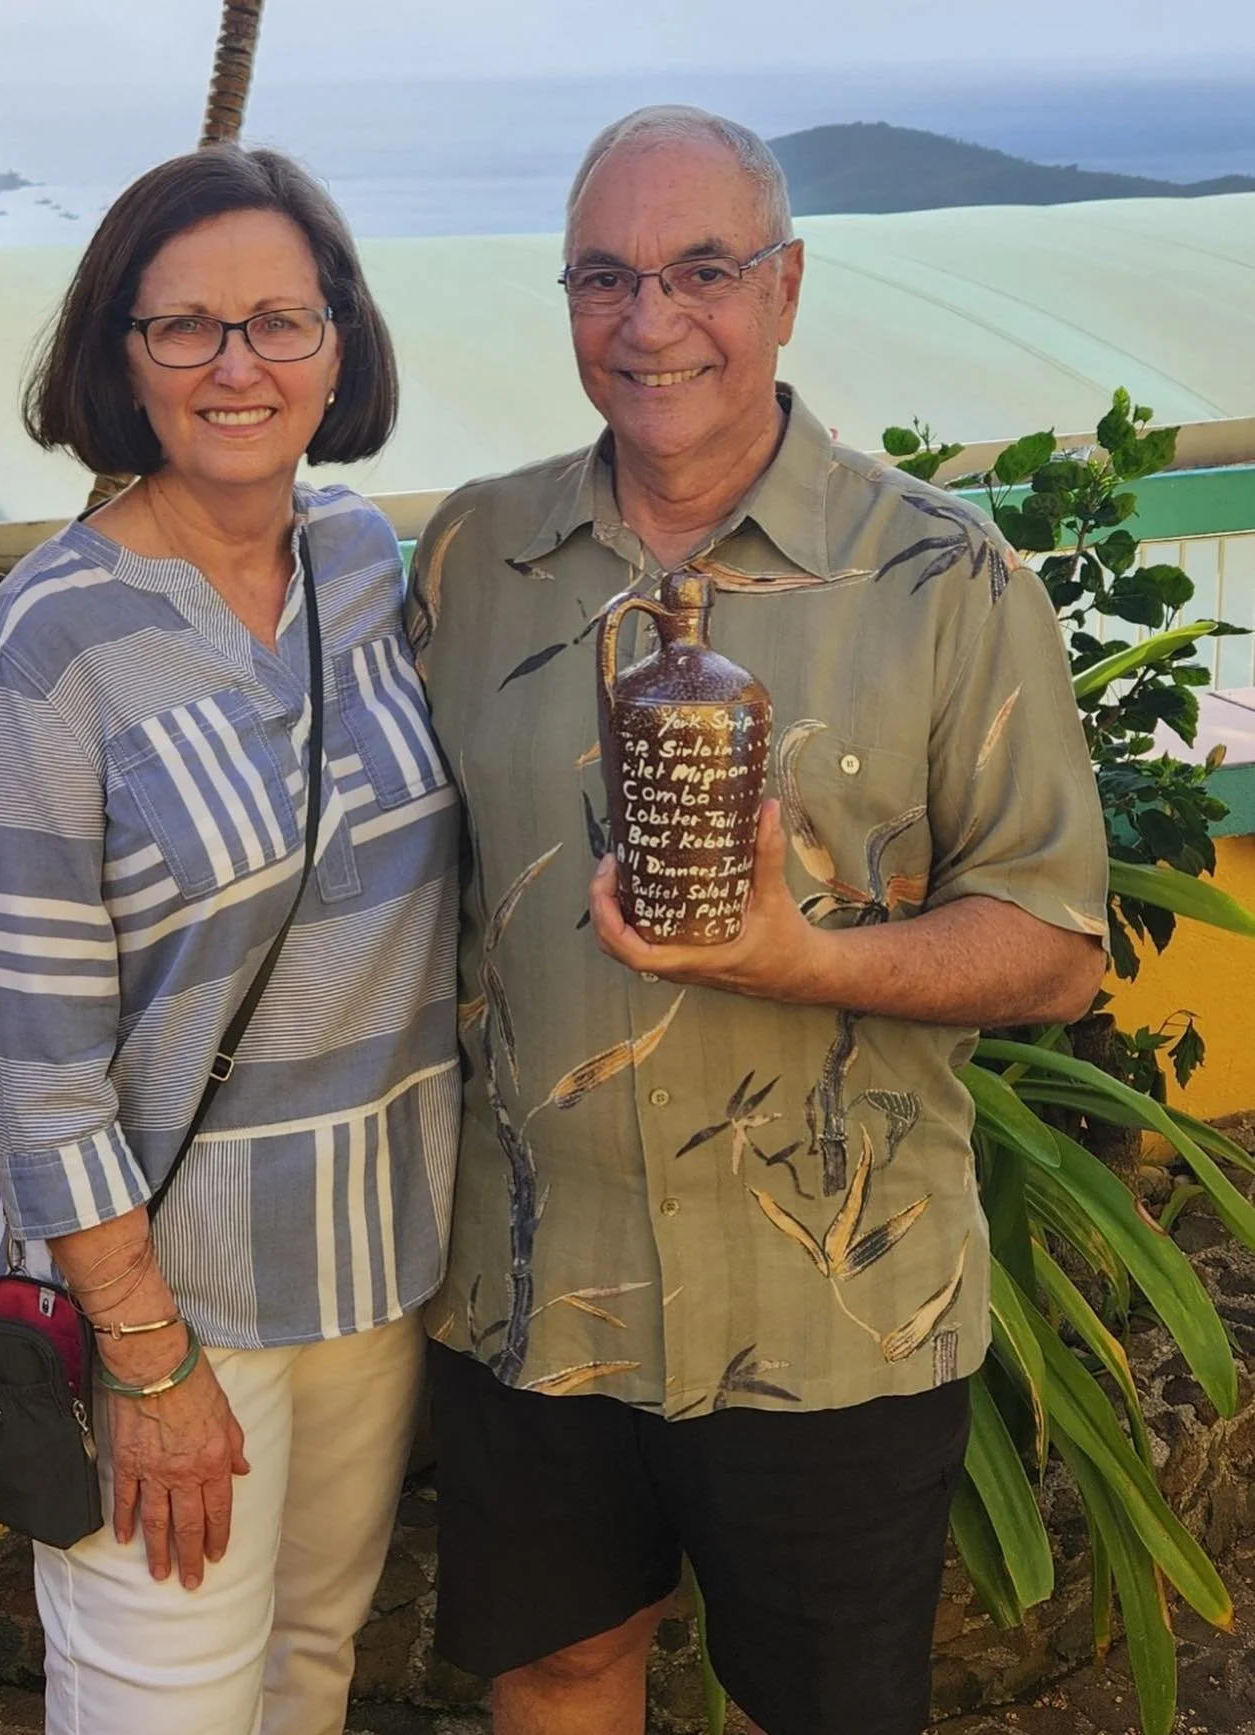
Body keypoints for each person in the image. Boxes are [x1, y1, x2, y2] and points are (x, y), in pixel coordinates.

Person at [407, 106, 1108, 1735]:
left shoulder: (946, 579)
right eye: (605, 277)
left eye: (702, 270)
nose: (652, 322)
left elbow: (1059, 944)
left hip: (837, 1303)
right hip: (535, 1284)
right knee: (563, 1668)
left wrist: (819, 962)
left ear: (787, 288)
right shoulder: (473, 558)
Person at [0, 146, 459, 1735]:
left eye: (281, 322)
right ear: (120, 357)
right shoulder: (44, 646)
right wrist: (152, 1362)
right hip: (162, 1303)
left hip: (371, 1266)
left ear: (341, 346)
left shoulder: (364, 561)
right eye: (188, 329)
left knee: (311, 1671)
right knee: (162, 1709)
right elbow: (27, 1065)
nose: (240, 366)